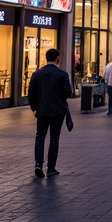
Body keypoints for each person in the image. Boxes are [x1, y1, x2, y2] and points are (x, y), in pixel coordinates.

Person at [28, 47, 72, 177]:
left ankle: (38, 164)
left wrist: (34, 108)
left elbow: (31, 94)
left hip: (42, 110)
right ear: (57, 59)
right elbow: (68, 92)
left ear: (46, 58)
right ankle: (51, 168)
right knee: (54, 137)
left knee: (40, 136)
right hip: (58, 111)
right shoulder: (63, 74)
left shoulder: (37, 74)